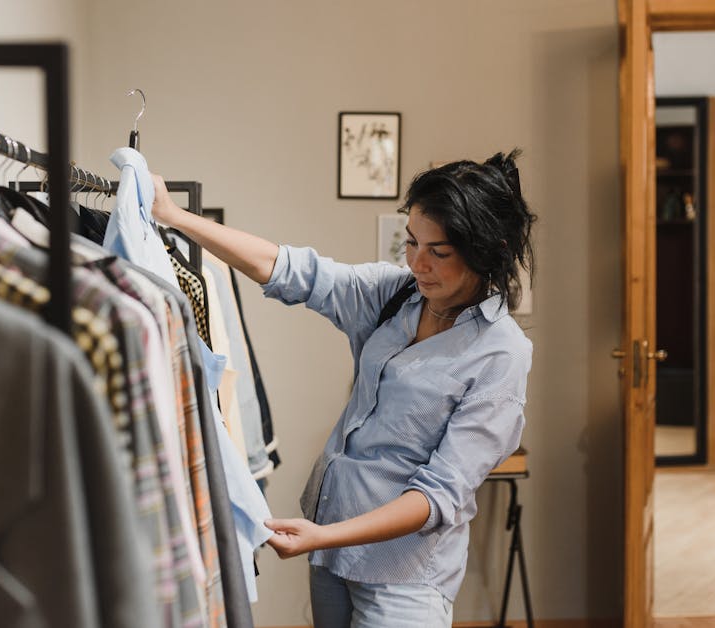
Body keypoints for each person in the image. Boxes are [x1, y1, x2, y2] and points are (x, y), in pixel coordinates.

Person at [150, 150, 535, 628]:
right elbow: (291, 269)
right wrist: (173, 217)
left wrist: (323, 537)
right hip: (331, 554)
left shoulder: (501, 353)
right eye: (412, 242)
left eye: (439, 252)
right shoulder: (397, 296)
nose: (418, 263)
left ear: (487, 251)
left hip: (402, 577)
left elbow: (438, 496)